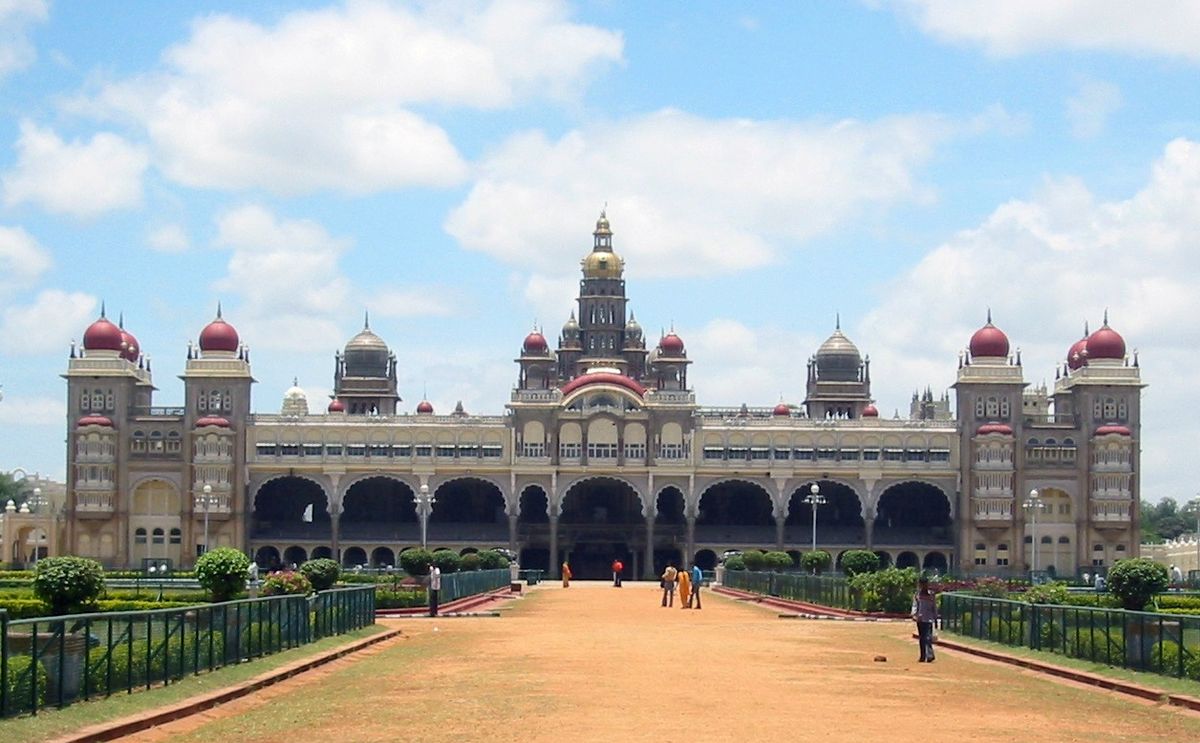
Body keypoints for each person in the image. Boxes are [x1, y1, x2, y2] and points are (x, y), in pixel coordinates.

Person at [911, 577, 938, 663]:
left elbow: (934, 607)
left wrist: (935, 617)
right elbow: (915, 605)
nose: (924, 586)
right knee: (922, 638)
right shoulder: (917, 595)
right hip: (920, 618)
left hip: (929, 619)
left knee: (928, 637)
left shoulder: (931, 595)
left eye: (925, 584)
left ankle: (930, 655)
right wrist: (914, 615)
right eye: (922, 584)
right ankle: (922, 656)